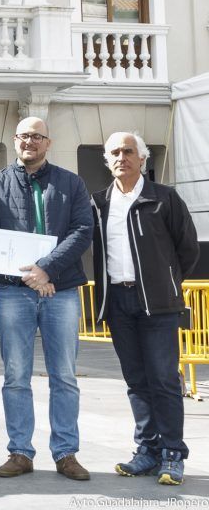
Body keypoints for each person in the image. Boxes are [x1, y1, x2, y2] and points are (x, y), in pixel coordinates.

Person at [0, 116, 93, 481]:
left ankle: (66, 453)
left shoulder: (71, 183)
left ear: (48, 142)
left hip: (61, 290)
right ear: (15, 140)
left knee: (64, 375)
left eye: (37, 136)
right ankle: (20, 452)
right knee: (15, 375)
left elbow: (82, 230)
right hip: (13, 292)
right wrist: (31, 275)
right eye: (24, 136)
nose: (30, 142)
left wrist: (47, 270)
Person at [92, 132, 199, 486]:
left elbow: (188, 249)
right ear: (107, 161)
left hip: (158, 304)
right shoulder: (99, 203)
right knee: (136, 381)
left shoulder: (164, 198)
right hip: (118, 303)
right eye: (114, 152)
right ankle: (147, 450)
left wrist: (166, 283)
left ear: (142, 158)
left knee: (164, 380)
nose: (121, 157)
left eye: (128, 151)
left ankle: (172, 453)